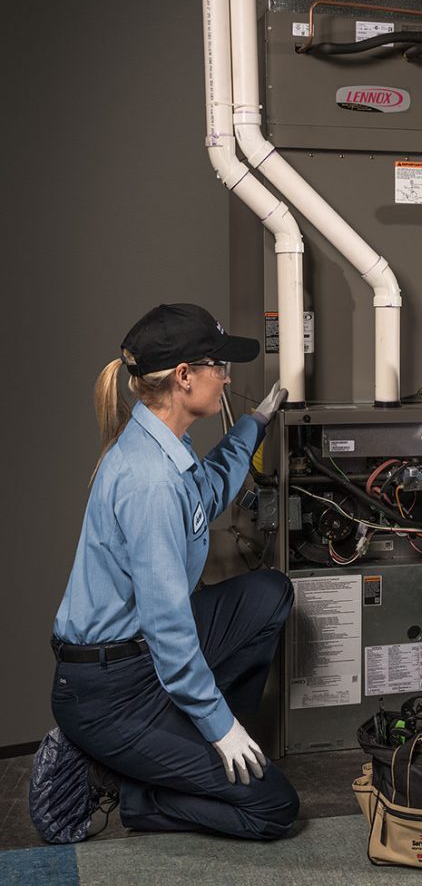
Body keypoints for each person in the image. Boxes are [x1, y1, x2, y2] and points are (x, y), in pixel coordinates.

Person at [46, 303, 299, 840]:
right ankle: (136, 791)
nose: (227, 377)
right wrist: (220, 727)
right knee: (273, 807)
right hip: (108, 690)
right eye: (219, 366)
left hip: (135, 658)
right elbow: (169, 629)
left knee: (269, 593)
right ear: (184, 377)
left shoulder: (164, 446)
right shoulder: (149, 483)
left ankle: (183, 746)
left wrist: (255, 425)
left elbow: (206, 493)